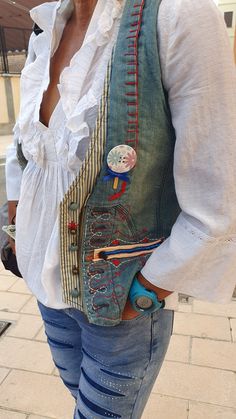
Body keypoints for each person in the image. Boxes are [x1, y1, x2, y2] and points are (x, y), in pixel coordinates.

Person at [5, 0, 236, 417]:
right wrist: (17, 216)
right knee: (79, 400)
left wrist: (148, 291)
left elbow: (218, 196)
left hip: (119, 305)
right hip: (45, 288)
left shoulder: (178, 15)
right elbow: (28, 146)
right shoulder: (47, 24)